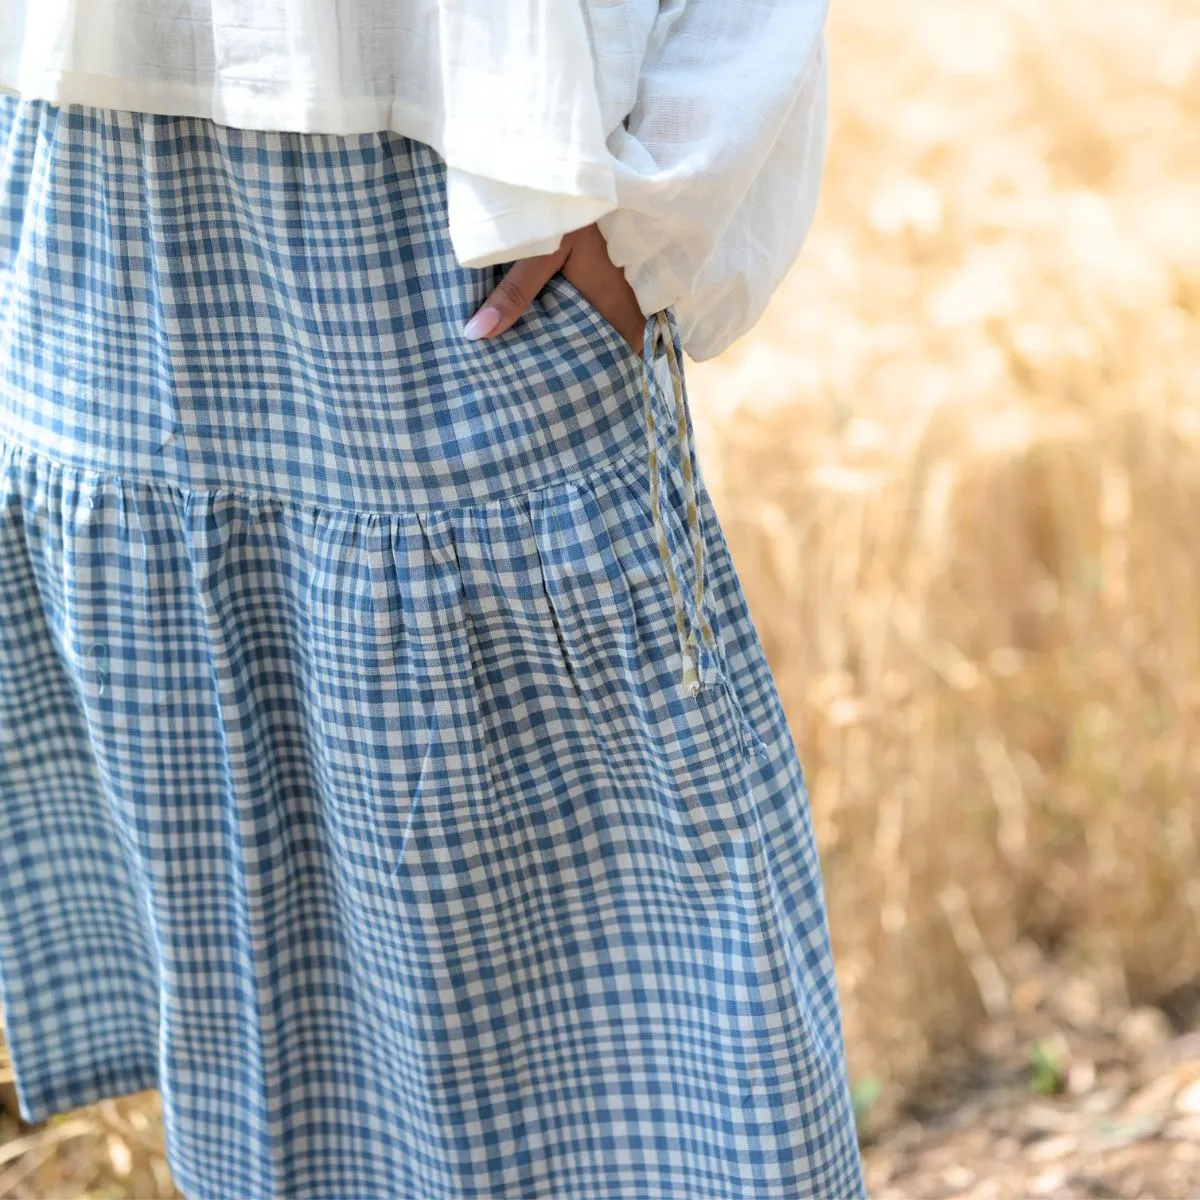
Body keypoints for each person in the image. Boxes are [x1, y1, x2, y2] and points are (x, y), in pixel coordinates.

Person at [0, 2, 865, 1197]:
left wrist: (665, 191)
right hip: (98, 183)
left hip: (454, 199)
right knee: (270, 1051)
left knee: (636, 1053)